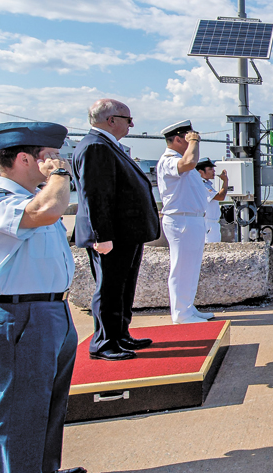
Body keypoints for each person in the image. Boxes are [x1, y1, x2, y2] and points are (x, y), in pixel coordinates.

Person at [0, 122, 87, 473]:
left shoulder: (30, 197)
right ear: (23, 159)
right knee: (21, 411)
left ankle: (43, 469)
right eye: (49, 157)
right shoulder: (4, 200)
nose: (57, 162)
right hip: (21, 314)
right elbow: (46, 212)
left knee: (49, 404)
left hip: (51, 311)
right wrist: (61, 175)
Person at [73, 99, 159, 361]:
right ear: (111, 120)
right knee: (109, 288)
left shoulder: (107, 145)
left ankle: (120, 334)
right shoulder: (96, 147)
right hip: (113, 235)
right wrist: (103, 236)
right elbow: (96, 195)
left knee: (123, 286)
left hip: (126, 234)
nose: (131, 124)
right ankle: (104, 342)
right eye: (128, 119)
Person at [157, 121, 214, 324]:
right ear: (179, 139)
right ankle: (181, 314)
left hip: (192, 219)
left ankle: (188, 307)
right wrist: (195, 142)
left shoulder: (180, 160)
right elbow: (189, 163)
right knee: (182, 269)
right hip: (182, 220)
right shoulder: (169, 160)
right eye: (188, 138)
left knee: (191, 268)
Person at [196, 158, 228, 243]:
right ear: (201, 172)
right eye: (210, 169)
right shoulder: (202, 185)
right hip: (208, 223)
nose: (213, 171)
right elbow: (220, 197)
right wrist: (225, 181)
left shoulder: (206, 184)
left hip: (212, 223)